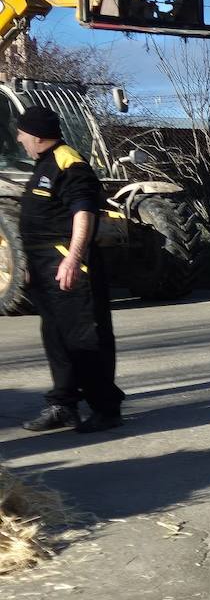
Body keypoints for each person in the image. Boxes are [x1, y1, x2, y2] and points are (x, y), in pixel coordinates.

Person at [15, 105, 124, 433]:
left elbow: (83, 213)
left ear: (37, 136)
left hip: (69, 267)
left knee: (85, 339)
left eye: (22, 133)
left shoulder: (68, 162)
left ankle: (106, 409)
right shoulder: (43, 164)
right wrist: (30, 266)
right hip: (45, 269)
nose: (18, 138)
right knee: (56, 338)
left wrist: (73, 259)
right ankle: (63, 405)